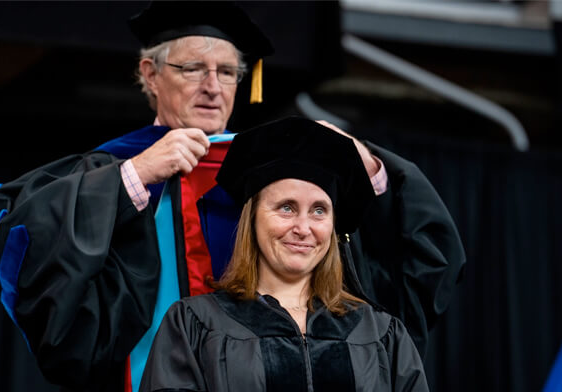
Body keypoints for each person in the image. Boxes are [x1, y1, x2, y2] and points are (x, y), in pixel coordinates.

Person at [0, 1, 464, 391]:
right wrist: (134, 176)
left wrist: (365, 165)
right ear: (150, 74)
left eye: (228, 71)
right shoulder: (114, 168)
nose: (213, 87)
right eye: (193, 68)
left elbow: (414, 265)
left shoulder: (278, 175)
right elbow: (26, 251)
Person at [139, 116, 428, 392]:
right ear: (252, 219)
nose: (303, 228)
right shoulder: (194, 326)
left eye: (319, 210)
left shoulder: (381, 334)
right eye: (286, 207)